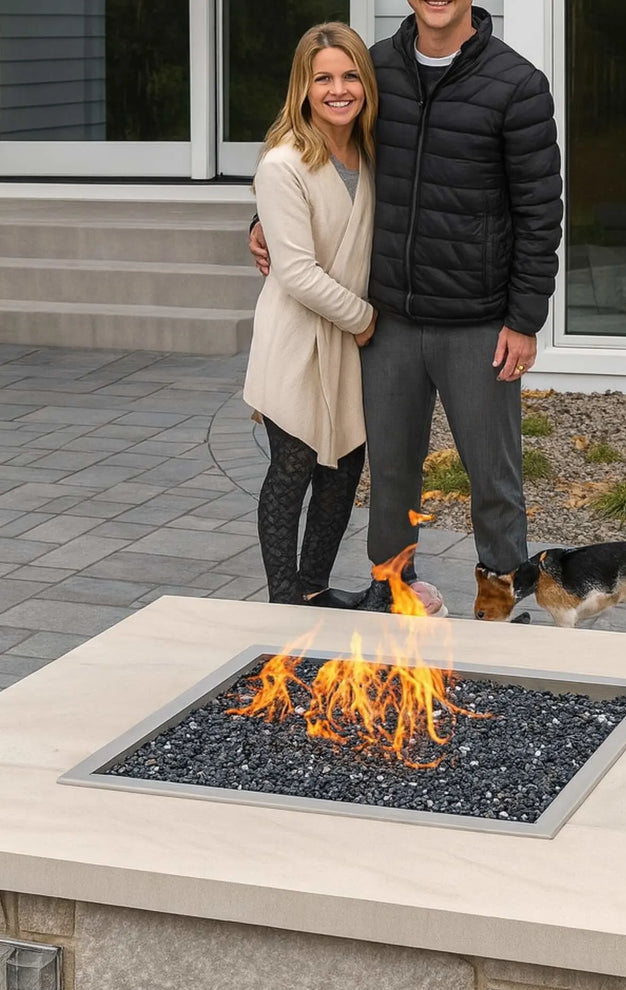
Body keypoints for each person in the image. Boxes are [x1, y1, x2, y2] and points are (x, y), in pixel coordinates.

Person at [251, 1, 563, 613]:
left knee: (493, 478)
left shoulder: (518, 84)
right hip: (387, 319)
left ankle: (501, 594)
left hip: (478, 321)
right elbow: (313, 146)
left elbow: (540, 211)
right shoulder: (374, 70)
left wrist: (524, 319)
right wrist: (260, 219)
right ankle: (393, 589)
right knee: (391, 474)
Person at [243, 23, 380, 609]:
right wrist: (366, 319)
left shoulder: (374, 152)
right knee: (293, 464)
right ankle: (282, 600)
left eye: (350, 76)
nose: (338, 89)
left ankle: (314, 588)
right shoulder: (284, 163)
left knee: (345, 468)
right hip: (299, 336)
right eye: (323, 77)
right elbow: (295, 272)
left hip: (347, 340)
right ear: (304, 86)